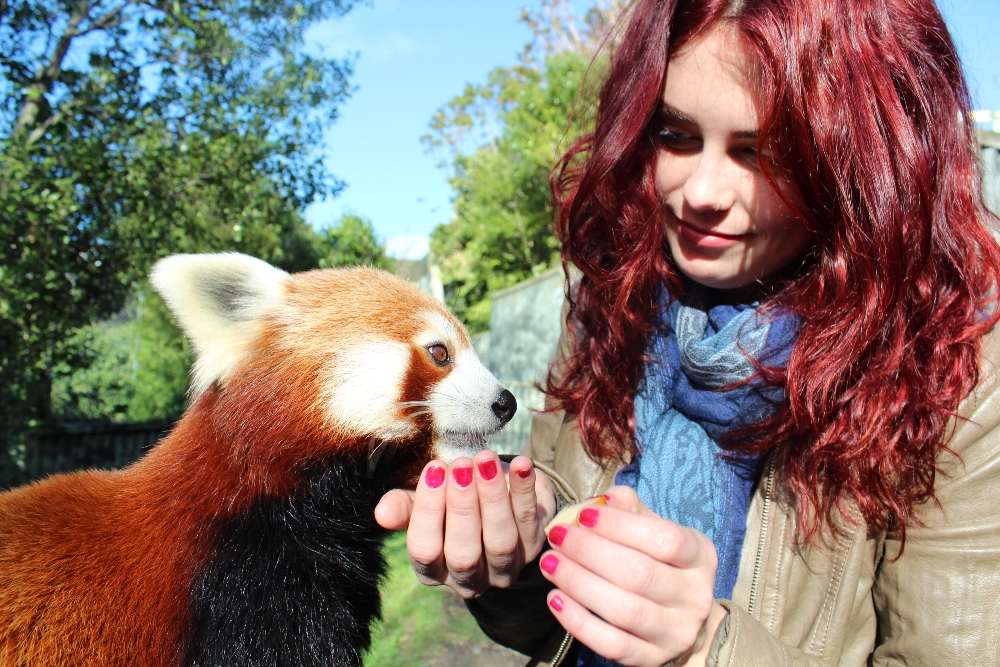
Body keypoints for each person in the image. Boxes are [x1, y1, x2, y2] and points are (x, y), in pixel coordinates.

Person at [375, 0, 1000, 664]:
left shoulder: (961, 371)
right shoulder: (611, 304)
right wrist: (520, 547)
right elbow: (546, 629)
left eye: (760, 152)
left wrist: (707, 647)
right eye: (675, 136)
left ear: (863, 163)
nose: (701, 190)